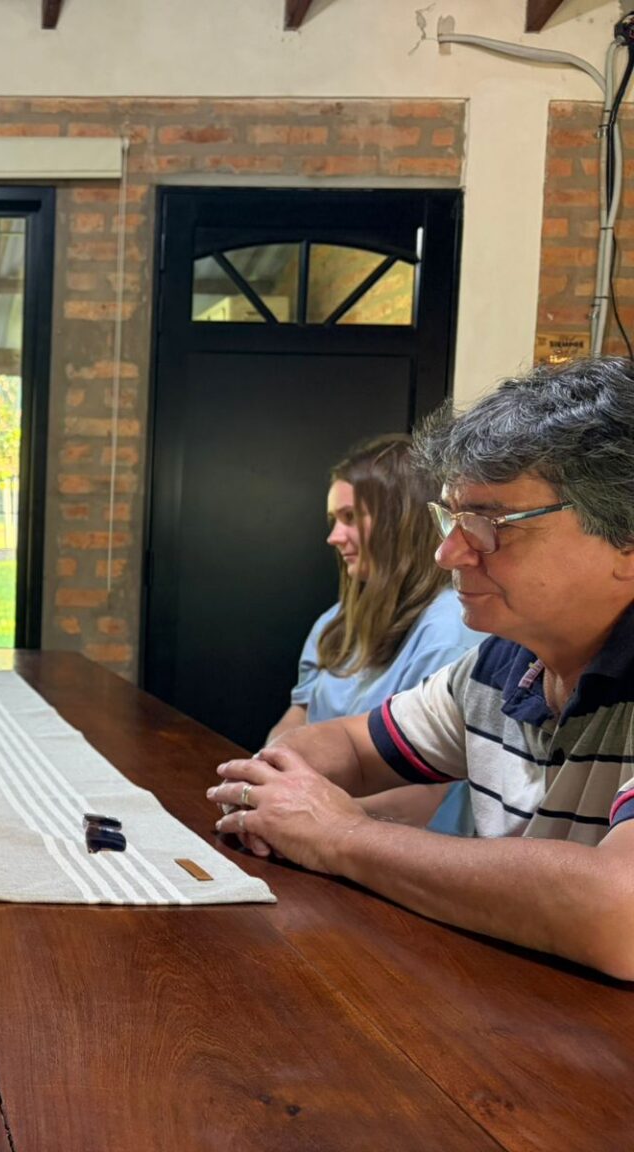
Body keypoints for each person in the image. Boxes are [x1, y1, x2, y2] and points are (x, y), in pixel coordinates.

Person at [207, 358, 634, 978]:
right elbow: (354, 746)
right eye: (451, 520)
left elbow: (620, 912)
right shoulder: (501, 663)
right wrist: (278, 787)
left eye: (489, 526)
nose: (447, 553)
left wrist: (338, 835)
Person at [267, 434, 485, 831]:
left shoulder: (452, 632)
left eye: (350, 517)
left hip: (393, 848)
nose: (334, 537)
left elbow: (413, 803)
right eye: (334, 520)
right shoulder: (337, 621)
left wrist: (293, 811)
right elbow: (298, 716)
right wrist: (263, 782)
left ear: (400, 521)